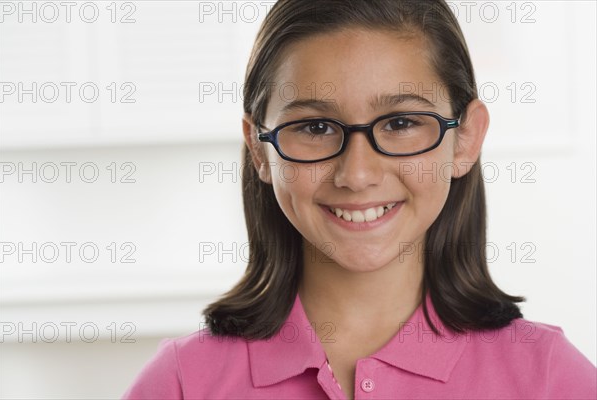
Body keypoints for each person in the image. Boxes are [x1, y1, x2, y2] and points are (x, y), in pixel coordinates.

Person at [122, 0, 597, 399]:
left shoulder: (548, 378)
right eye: (314, 128)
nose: (358, 174)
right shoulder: (182, 383)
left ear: (466, 139)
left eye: (400, 123)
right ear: (259, 150)